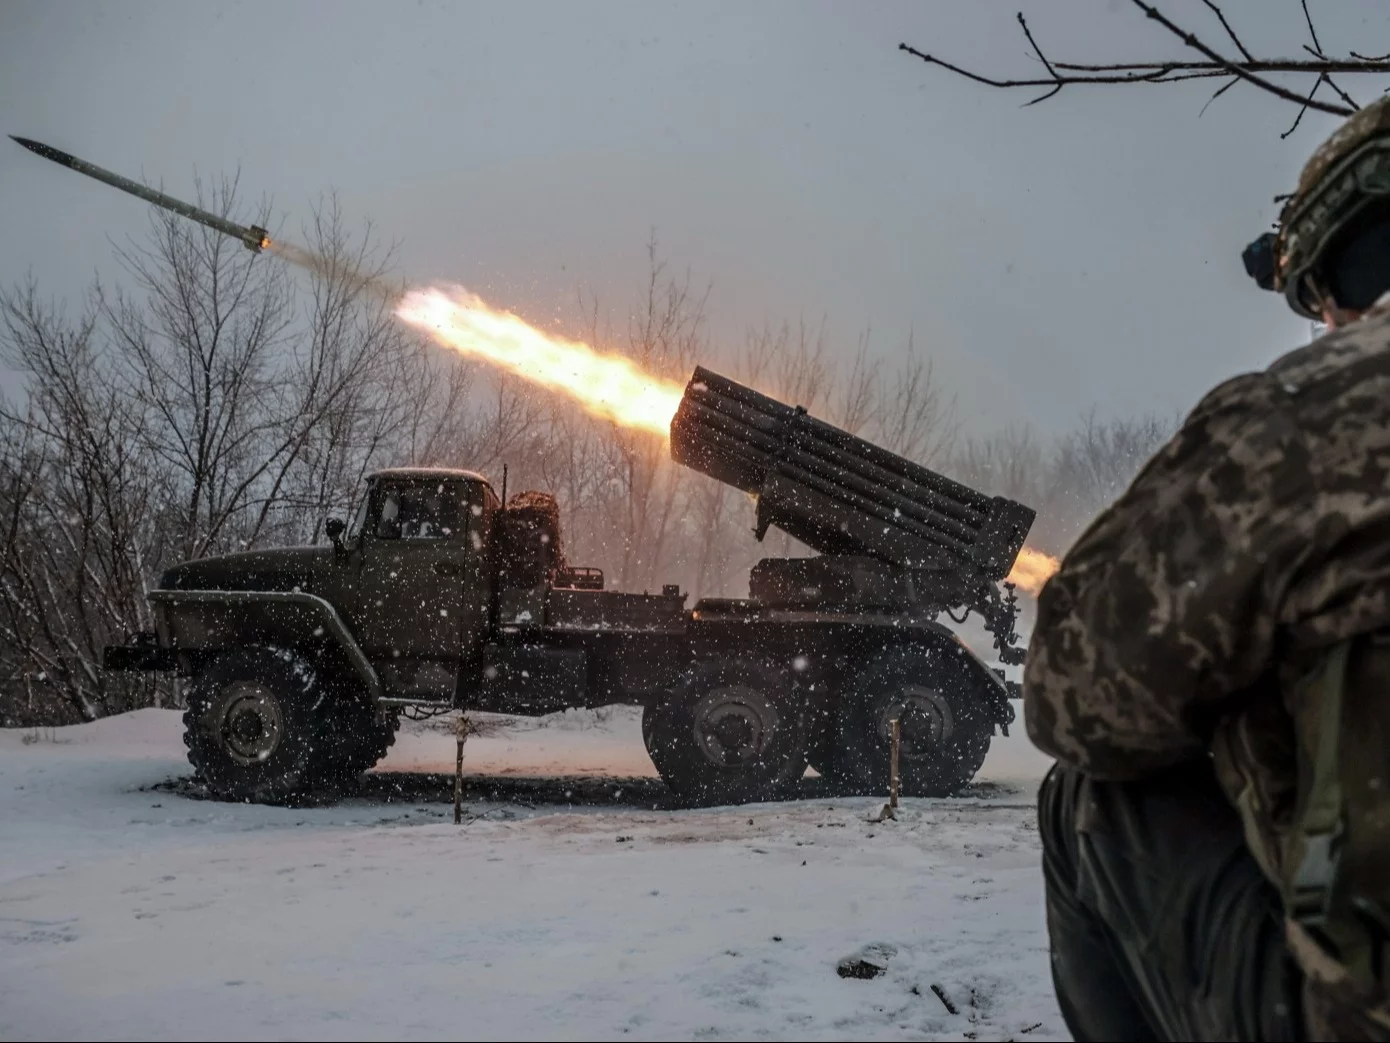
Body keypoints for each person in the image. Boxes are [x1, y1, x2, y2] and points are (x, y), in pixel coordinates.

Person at [1024, 97, 1390, 1041]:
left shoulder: (1305, 423)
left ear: (1342, 271)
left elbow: (1073, 695)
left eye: (1314, 301)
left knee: (1093, 793)